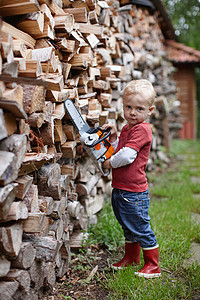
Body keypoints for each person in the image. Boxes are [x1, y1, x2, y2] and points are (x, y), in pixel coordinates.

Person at [102, 79, 161, 279]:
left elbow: (127, 155)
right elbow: (120, 147)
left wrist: (109, 163)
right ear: (123, 105)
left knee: (140, 226)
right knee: (128, 225)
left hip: (133, 191)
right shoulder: (128, 128)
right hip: (121, 188)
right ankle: (131, 258)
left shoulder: (142, 129)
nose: (133, 112)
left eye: (139, 108)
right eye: (128, 107)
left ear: (150, 110)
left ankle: (153, 265)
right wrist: (113, 138)